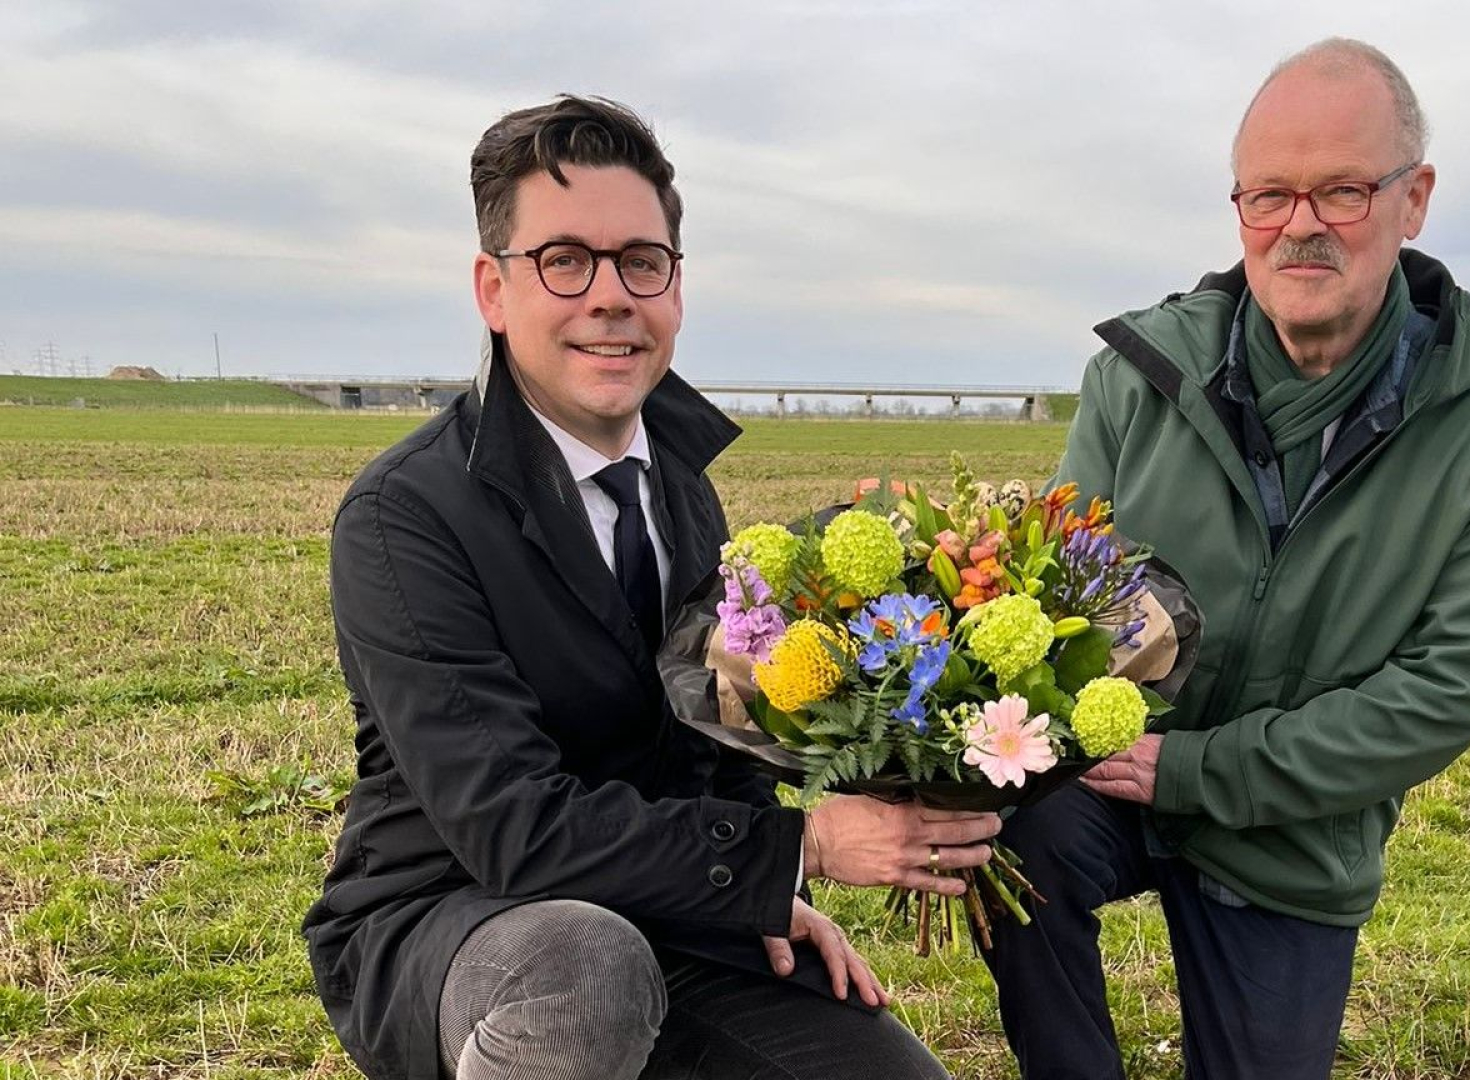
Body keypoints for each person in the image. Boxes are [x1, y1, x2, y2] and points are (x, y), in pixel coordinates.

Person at [302, 95, 1002, 1080]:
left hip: (663, 905)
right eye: (563, 261)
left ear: (675, 286)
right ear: (493, 292)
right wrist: (791, 853)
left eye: (642, 260)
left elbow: (712, 737)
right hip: (457, 920)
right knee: (590, 977)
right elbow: (513, 827)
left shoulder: (681, 487)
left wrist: (761, 889)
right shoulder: (406, 517)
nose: (610, 295)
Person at [982, 39, 1470, 1080]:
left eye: (1341, 191)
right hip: (1111, 777)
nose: (1301, 226)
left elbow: (1444, 692)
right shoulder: (1137, 379)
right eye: (1270, 196)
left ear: (1413, 199)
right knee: (1011, 841)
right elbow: (1066, 595)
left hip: (1289, 823)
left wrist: (1204, 770)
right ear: (1238, 206)